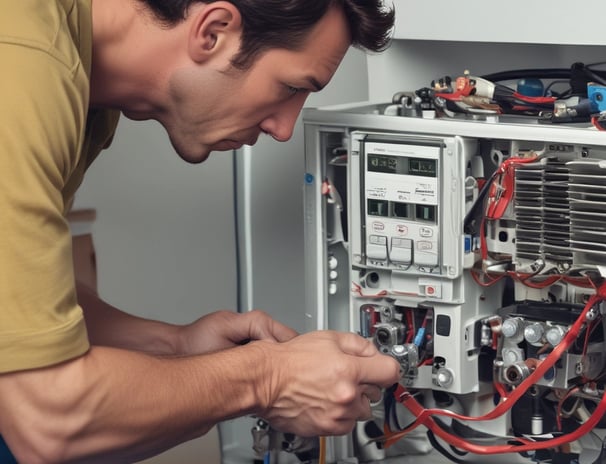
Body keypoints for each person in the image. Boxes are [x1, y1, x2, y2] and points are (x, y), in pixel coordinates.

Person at [0, 0, 399, 462]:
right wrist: (265, 378)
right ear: (213, 32)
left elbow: (23, 320)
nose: (285, 128)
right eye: (289, 86)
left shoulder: (86, 88)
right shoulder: (24, 68)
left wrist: (178, 347)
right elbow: (49, 418)